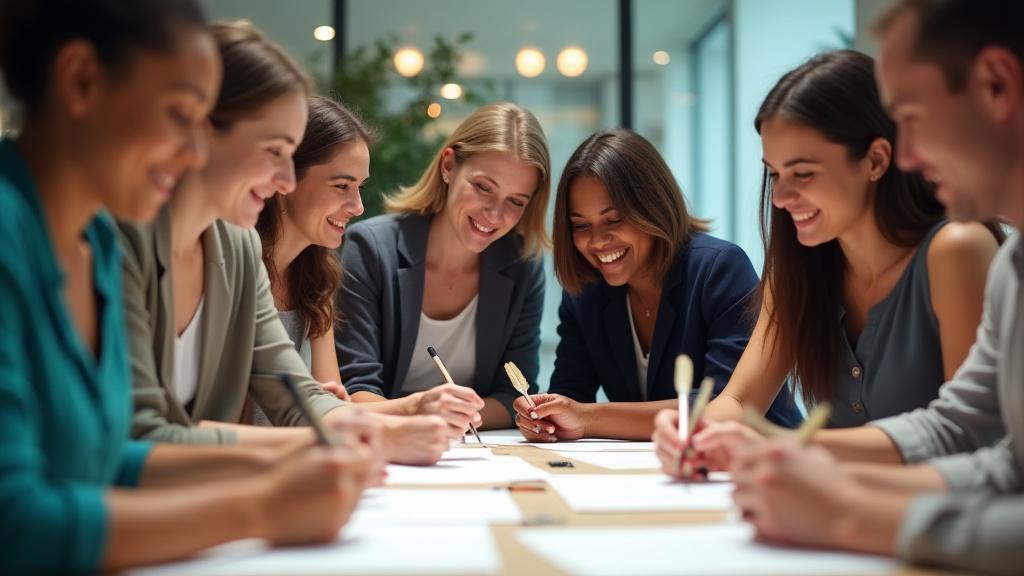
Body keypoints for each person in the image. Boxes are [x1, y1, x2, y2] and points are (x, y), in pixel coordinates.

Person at [0, 1, 374, 572]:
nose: (196, 151)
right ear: (80, 81)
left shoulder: (93, 240)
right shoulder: (21, 233)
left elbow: (109, 460)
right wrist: (262, 506)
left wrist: (297, 465)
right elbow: (15, 524)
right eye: (180, 116)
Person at [729, 2, 1024, 574]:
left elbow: (980, 450)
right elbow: (973, 437)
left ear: (995, 85)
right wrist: (800, 463)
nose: (906, 155)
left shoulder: (964, 249)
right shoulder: (1016, 260)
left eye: (913, 117)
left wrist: (851, 513)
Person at [653, 49, 1001, 473]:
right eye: (774, 174)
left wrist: (782, 443)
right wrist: (693, 431)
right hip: (832, 515)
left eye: (802, 173)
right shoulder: (799, 270)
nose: (779, 199)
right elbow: (740, 400)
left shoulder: (956, 251)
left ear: (875, 160)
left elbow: (967, 436)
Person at [121, 21, 447, 464]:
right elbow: (137, 433)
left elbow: (294, 393)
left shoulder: (238, 251)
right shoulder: (122, 240)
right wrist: (351, 439)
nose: (285, 181)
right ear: (203, 130)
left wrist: (371, 425)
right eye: (275, 151)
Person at [513, 129, 800, 442]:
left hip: (761, 459)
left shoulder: (718, 268)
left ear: (651, 207)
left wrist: (586, 417)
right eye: (581, 225)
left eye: (614, 220)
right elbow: (570, 393)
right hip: (658, 466)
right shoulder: (586, 293)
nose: (596, 241)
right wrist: (545, 416)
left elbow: (722, 405)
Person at [336, 102, 550, 433]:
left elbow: (516, 394)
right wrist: (427, 414)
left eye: (516, 202)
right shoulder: (370, 249)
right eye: (483, 187)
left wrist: (461, 418)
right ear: (448, 166)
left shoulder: (523, 266)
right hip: (385, 444)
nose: (493, 215)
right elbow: (355, 393)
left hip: (469, 449)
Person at [252, 95, 370, 422]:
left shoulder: (317, 277)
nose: (358, 206)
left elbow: (333, 399)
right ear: (286, 179)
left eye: (359, 187)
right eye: (342, 185)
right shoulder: (237, 267)